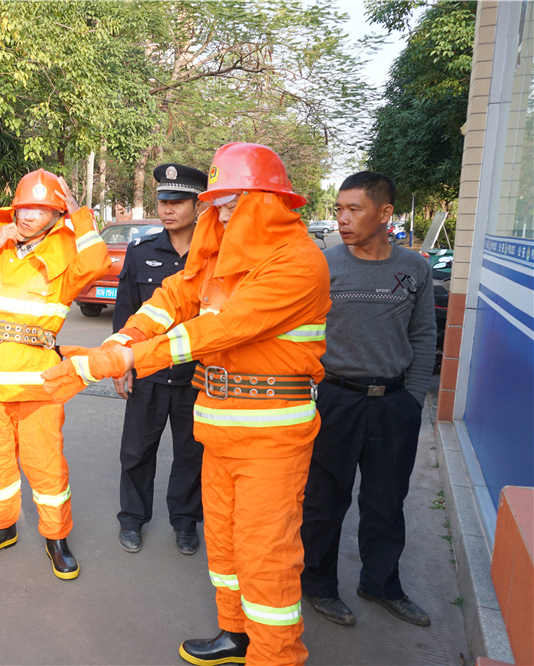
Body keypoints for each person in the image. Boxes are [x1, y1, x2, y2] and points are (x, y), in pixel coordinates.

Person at [42, 143, 331, 666]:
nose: (216, 214)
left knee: (266, 559)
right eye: (215, 205)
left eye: (229, 204)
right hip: (220, 431)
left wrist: (119, 363)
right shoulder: (219, 261)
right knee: (223, 549)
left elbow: (213, 331)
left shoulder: (297, 264)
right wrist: (119, 343)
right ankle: (236, 636)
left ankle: (276, 657)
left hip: (271, 439)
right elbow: (171, 300)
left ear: (264, 202)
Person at [0, 168, 110, 580]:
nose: (28, 215)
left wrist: (80, 214)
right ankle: (1, 527)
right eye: (24, 207)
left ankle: (57, 538)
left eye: (40, 208)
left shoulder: (66, 253)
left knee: (45, 464)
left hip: (38, 380)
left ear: (56, 214)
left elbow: (98, 261)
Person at [300, 171, 435, 628]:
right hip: (335, 400)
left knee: (386, 502)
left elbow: (422, 335)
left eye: (353, 209)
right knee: (323, 502)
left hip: (393, 404)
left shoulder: (415, 269)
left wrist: (412, 401)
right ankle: (318, 584)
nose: (342, 218)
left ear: (384, 213)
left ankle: (381, 584)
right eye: (339, 209)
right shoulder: (324, 264)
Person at [112, 163, 207, 556]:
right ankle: (132, 519)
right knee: (136, 451)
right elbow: (126, 312)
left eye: (178, 201)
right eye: (163, 200)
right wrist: (122, 362)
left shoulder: (215, 257)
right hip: (149, 372)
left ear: (199, 205)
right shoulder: (142, 252)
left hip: (197, 375)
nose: (168, 209)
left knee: (191, 453)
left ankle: (185, 522)